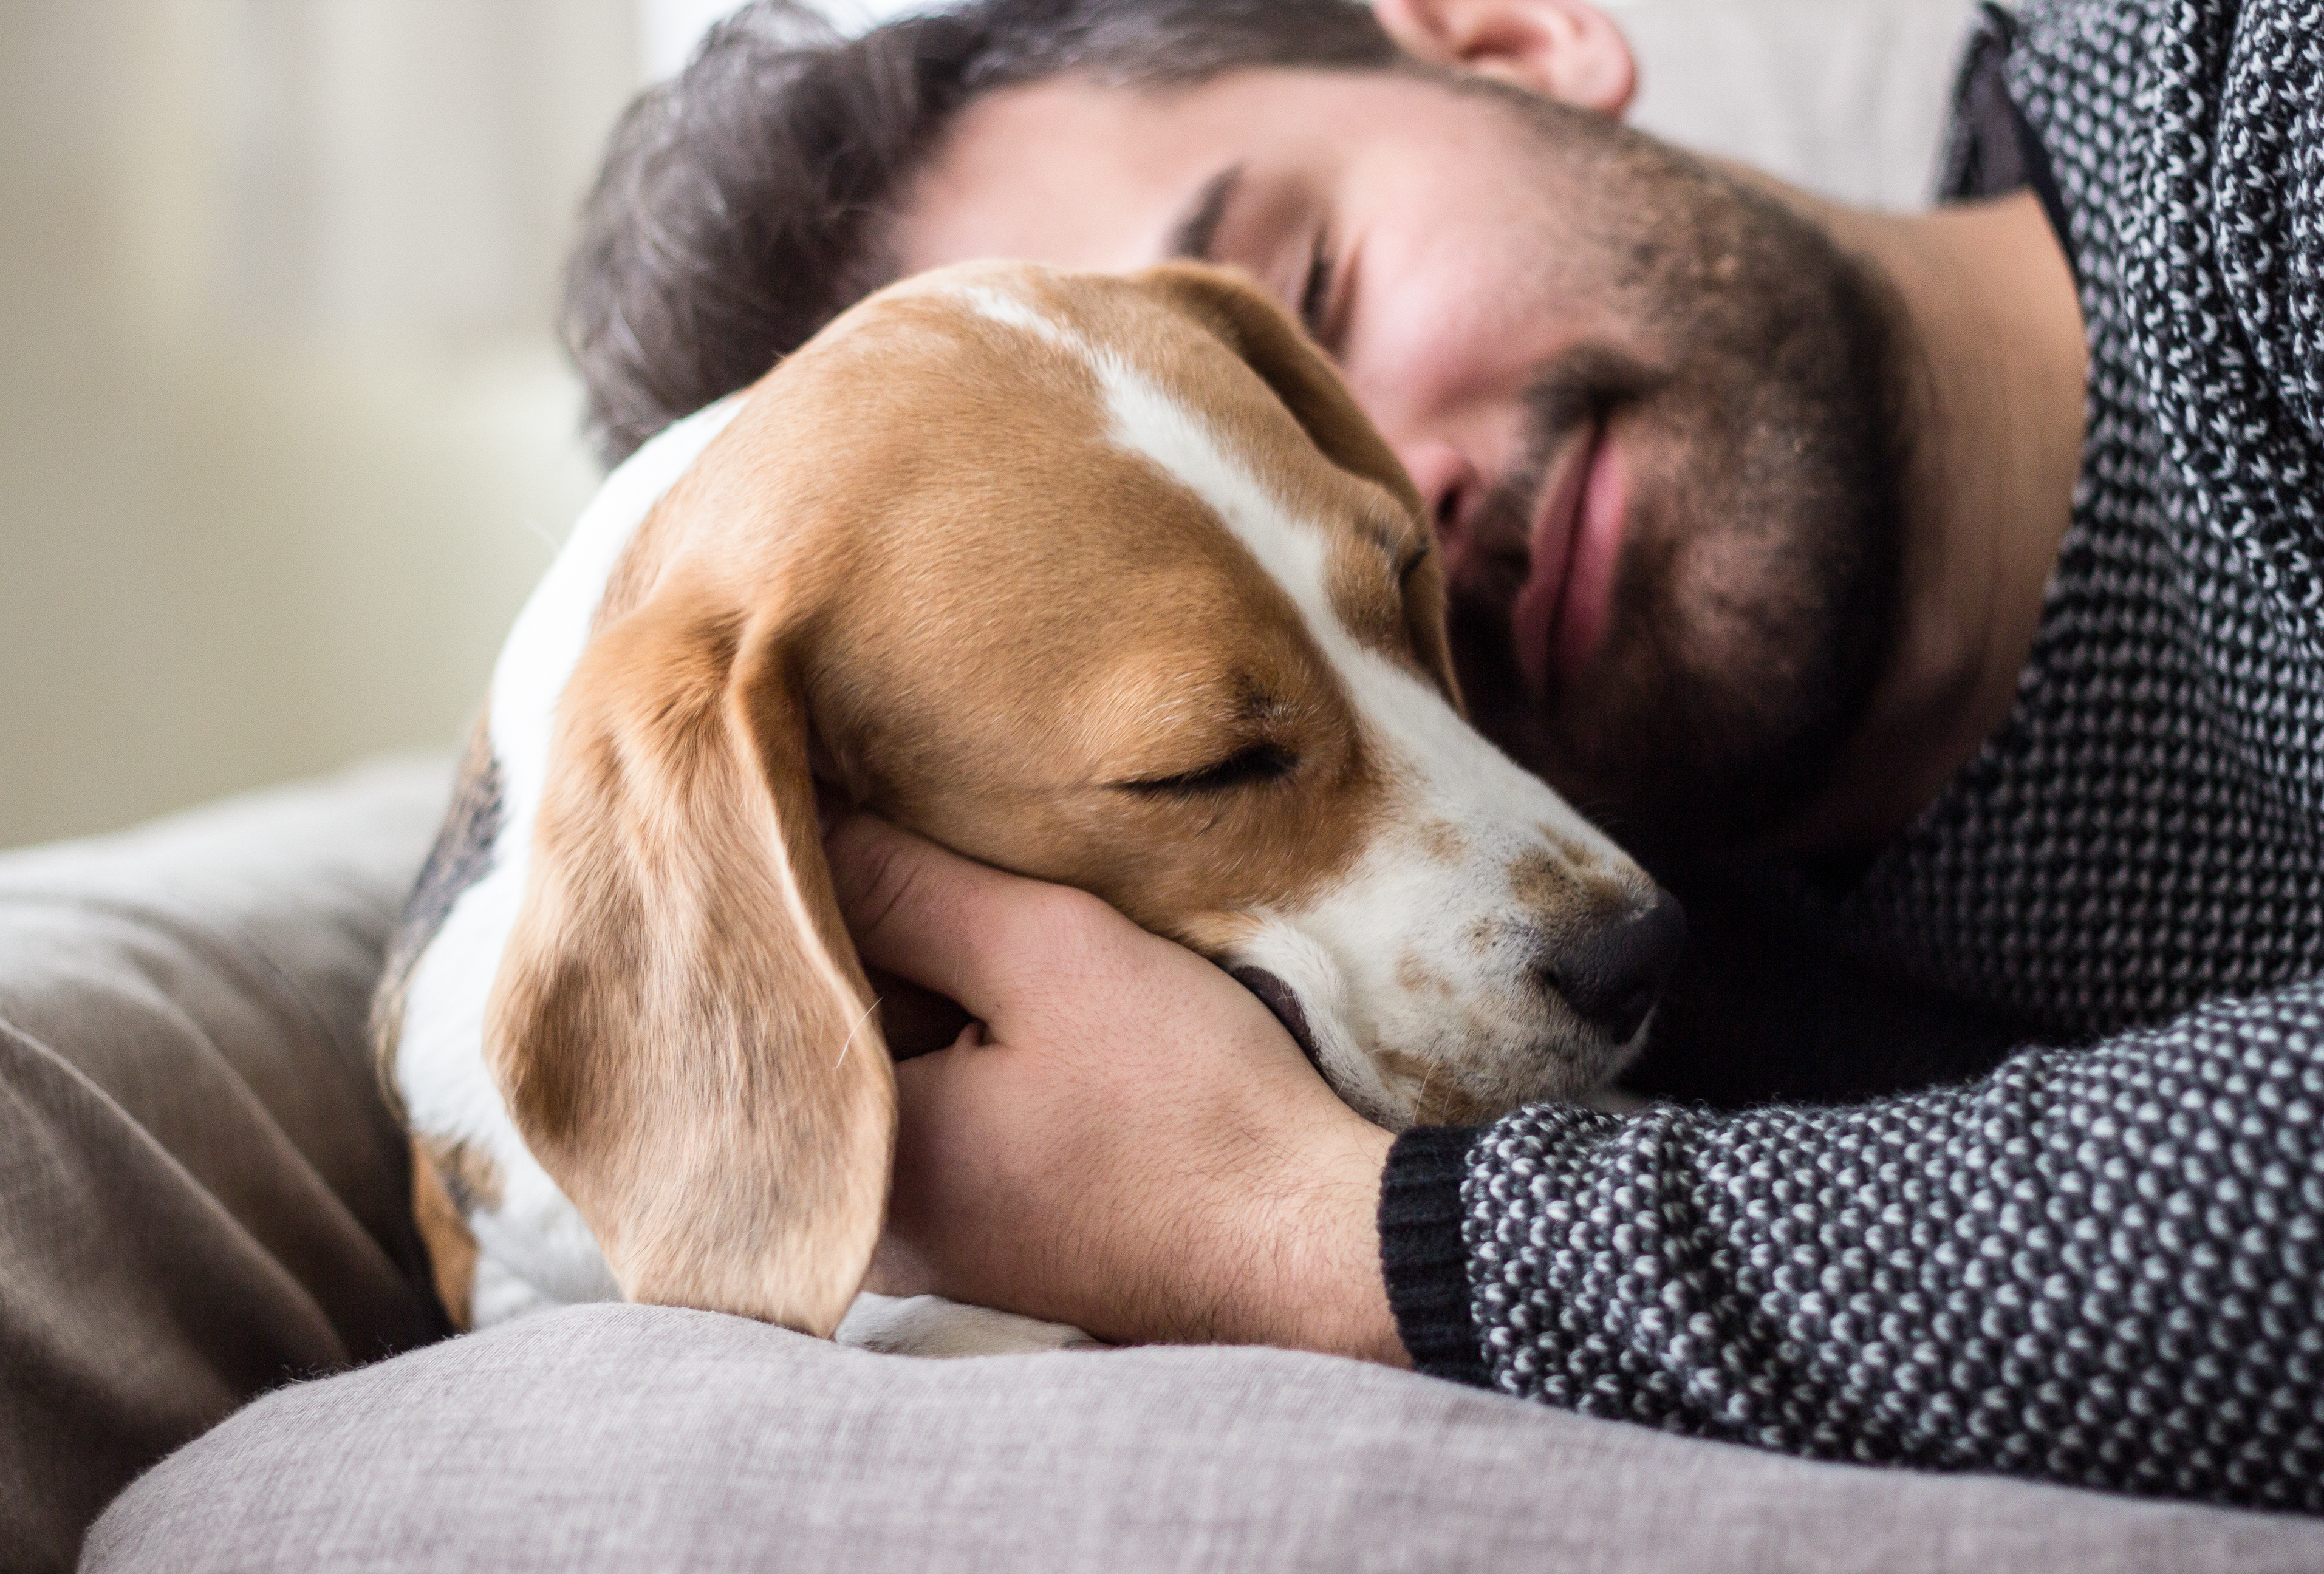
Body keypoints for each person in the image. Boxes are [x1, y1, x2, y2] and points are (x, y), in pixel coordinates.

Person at [560, 0, 2324, 1511]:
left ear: (1498, 30)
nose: (1393, 499)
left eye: (1300, 308)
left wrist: (1332, 1237)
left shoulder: (2255, 107)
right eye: (1197, 737)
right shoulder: (1629, 980)